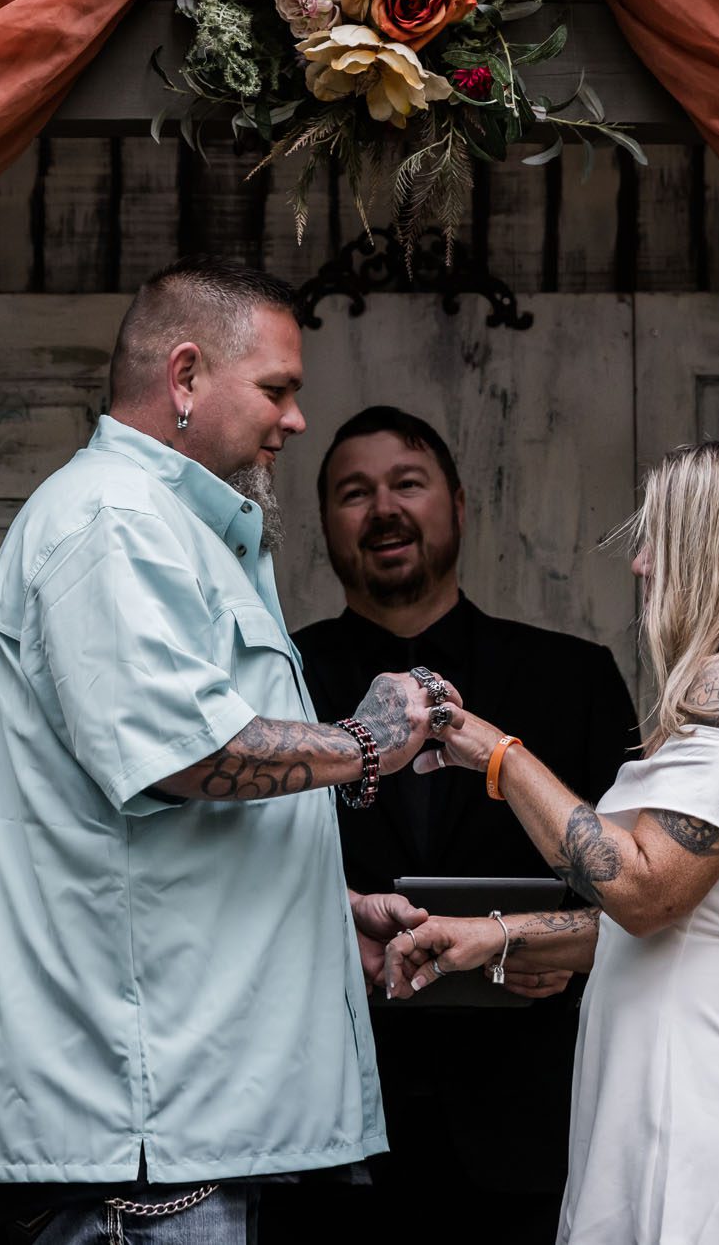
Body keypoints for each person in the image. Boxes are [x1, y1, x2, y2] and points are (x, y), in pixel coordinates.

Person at [0, 257, 464, 1244]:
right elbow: (181, 753)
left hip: (185, 1132)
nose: (296, 419)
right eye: (278, 388)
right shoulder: (110, 521)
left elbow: (145, 837)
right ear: (185, 376)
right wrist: (368, 737)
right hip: (135, 1149)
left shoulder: (175, 527)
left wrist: (323, 909)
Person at [389, 433, 719, 1245]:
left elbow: (646, 893)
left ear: (715, 551)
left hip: (683, 1096)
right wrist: (498, 936)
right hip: (668, 1078)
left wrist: (500, 756)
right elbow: (677, 923)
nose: (641, 563)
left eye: (660, 539)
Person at [273, 406, 642, 1243]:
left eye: (408, 483)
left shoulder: (575, 678)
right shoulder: (276, 679)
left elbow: (639, 886)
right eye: (353, 493)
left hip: (531, 1127)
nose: (384, 509)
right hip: (322, 1124)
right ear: (326, 524)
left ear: (461, 504)